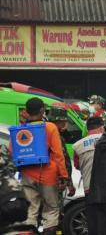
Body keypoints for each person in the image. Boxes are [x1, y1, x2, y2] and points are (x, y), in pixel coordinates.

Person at [16, 98, 68, 235]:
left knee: (30, 210)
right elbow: (58, 154)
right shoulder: (50, 127)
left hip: (27, 174)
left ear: (26, 111)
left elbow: (13, 151)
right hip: (48, 175)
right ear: (42, 111)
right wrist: (63, 176)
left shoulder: (20, 129)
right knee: (51, 210)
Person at [47, 104, 76, 197]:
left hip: (40, 178)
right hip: (55, 179)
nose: (64, 124)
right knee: (54, 209)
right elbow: (62, 159)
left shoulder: (43, 130)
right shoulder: (56, 136)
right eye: (63, 121)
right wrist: (68, 181)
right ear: (59, 120)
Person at [72, 116, 104, 195]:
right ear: (102, 127)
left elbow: (77, 165)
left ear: (87, 129)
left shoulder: (77, 145)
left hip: (89, 187)